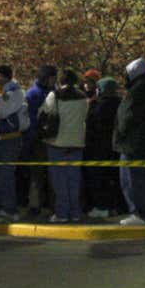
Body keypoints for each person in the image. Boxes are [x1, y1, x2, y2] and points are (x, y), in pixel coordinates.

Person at [114, 57, 145, 226]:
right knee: (143, 179)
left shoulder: (137, 92)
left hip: (132, 144)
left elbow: (127, 117)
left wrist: (120, 133)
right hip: (144, 142)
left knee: (131, 179)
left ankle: (138, 212)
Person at [40, 69, 89, 223]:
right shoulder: (83, 96)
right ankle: (75, 213)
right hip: (77, 142)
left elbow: (44, 112)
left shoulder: (54, 95)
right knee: (74, 180)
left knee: (59, 182)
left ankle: (62, 213)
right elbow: (85, 115)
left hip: (57, 142)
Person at [0, 65, 28, 222]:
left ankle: (9, 209)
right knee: (2, 175)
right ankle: (5, 207)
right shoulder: (1, 92)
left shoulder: (14, 92)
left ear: (6, 77)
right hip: (2, 137)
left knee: (6, 175)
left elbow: (1, 112)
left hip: (10, 137)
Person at [84, 76, 123, 219]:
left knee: (98, 179)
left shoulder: (97, 106)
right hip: (115, 148)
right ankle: (116, 206)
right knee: (115, 179)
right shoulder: (121, 104)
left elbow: (89, 126)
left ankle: (101, 207)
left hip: (97, 148)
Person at [22, 64, 57, 218]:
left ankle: (48, 205)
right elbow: (30, 119)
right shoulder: (33, 95)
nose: (54, 80)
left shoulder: (46, 92)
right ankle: (36, 205)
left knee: (49, 174)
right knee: (38, 174)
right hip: (39, 139)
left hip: (48, 138)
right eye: (52, 78)